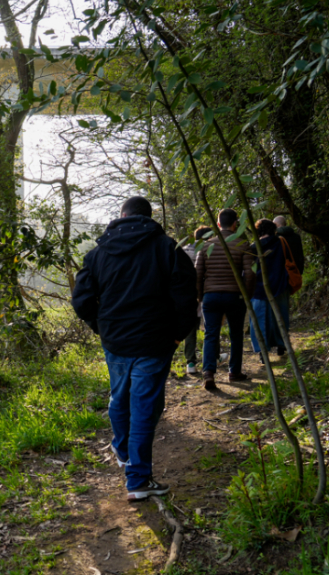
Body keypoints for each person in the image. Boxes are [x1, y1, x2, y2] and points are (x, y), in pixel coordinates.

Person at [72, 196, 198, 502]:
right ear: (149, 217)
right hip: (155, 341)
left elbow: (82, 300)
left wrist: (100, 327)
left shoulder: (99, 253)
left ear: (121, 215)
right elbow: (186, 295)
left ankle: (123, 448)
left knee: (120, 395)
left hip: (115, 340)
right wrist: (179, 335)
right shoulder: (168, 248)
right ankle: (138, 478)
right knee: (144, 407)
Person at [195, 209, 254, 391]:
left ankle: (208, 373)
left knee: (211, 333)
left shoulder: (206, 245)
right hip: (234, 295)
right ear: (236, 223)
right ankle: (234, 372)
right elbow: (250, 273)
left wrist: (200, 295)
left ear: (218, 224)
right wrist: (246, 294)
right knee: (236, 334)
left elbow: (198, 273)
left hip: (211, 296)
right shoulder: (242, 244)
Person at [247, 218, 291, 359]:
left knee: (260, 320)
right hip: (280, 285)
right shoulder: (281, 243)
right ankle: (281, 345)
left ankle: (262, 351)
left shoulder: (253, 248)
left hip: (258, 289)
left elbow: (249, 270)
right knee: (281, 316)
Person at [182, 226, 213, 376]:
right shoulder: (210, 250)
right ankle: (214, 356)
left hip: (188, 295)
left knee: (190, 329)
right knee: (211, 327)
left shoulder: (183, 251)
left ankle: (191, 362)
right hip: (207, 292)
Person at [272, 215, 303, 355]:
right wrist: (298, 273)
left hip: (278, 277)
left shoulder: (276, 239)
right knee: (284, 308)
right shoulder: (296, 237)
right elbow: (300, 257)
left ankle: (277, 341)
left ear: (277, 226)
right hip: (292, 275)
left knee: (274, 310)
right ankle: (283, 342)